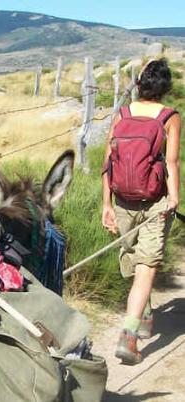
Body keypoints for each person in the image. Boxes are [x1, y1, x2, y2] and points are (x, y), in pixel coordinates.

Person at [102, 58, 181, 365]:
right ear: (166, 88)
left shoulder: (122, 114)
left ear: (140, 84)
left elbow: (108, 163)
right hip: (154, 200)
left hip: (122, 200)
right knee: (146, 267)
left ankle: (143, 316)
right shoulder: (169, 117)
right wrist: (174, 199)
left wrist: (106, 204)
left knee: (135, 264)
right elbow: (171, 163)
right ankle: (129, 336)